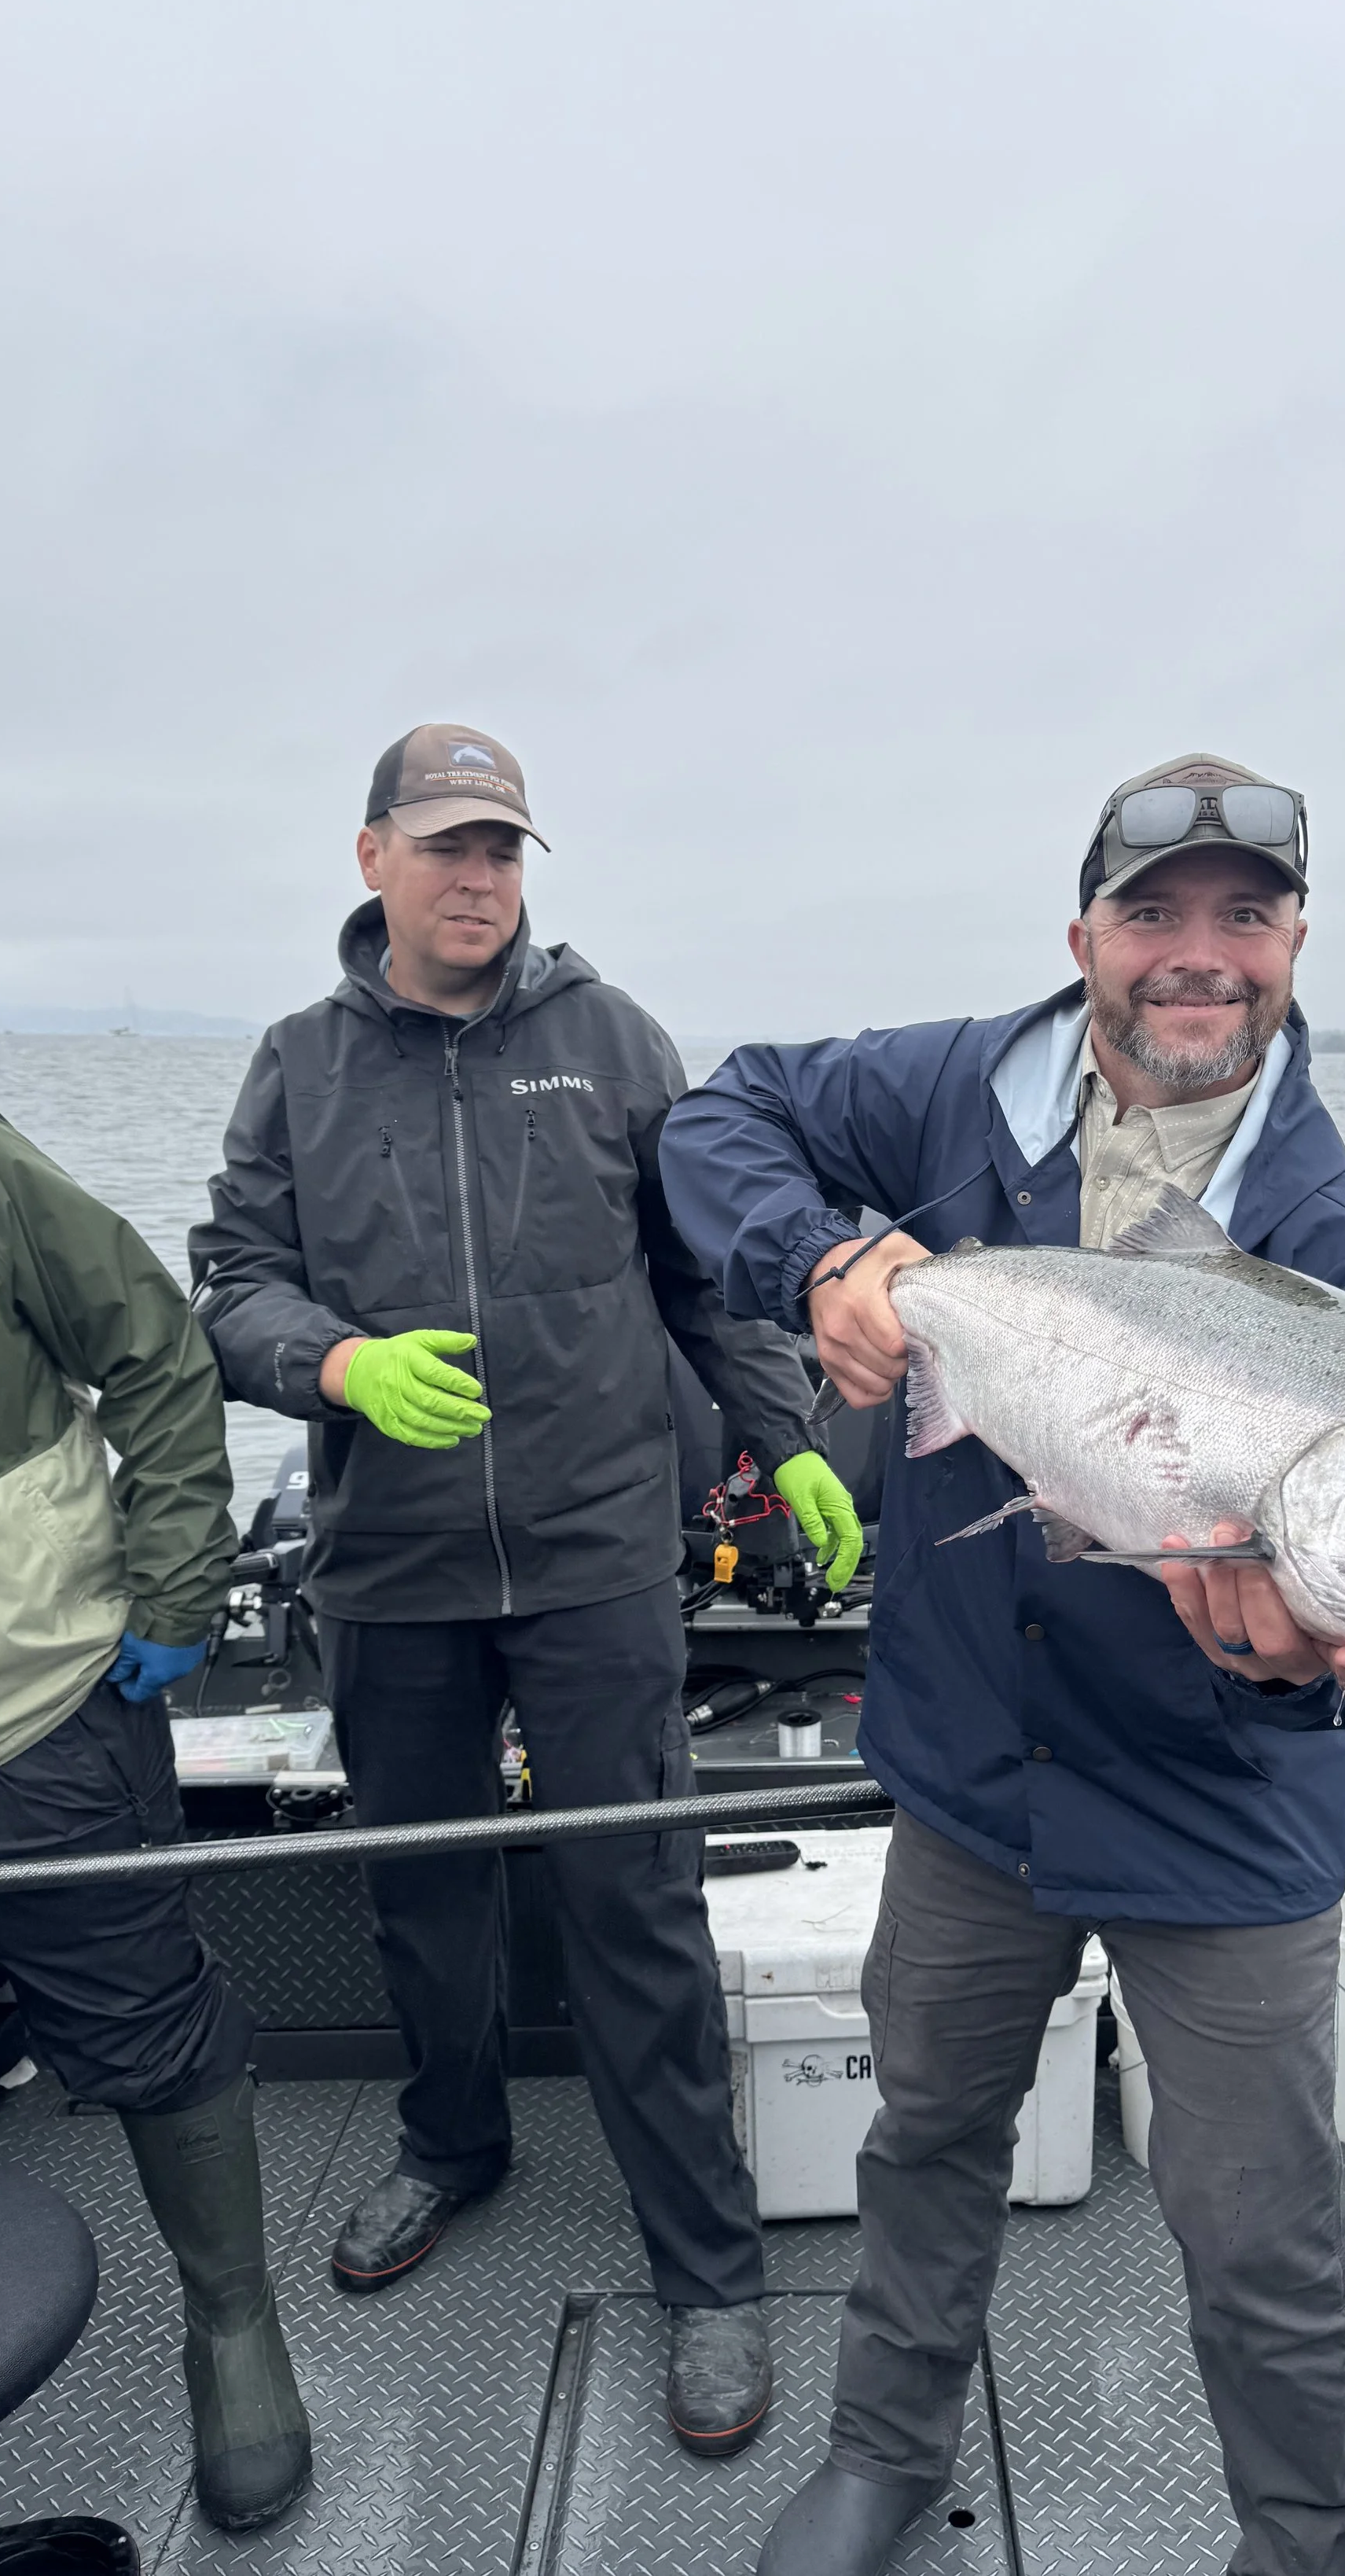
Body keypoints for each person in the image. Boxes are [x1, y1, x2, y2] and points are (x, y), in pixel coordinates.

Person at [660, 753, 1345, 2576]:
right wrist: (824, 1257)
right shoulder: (950, 1089)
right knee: (925, 2128)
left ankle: (1307, 2540)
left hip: (1216, 1815)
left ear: (1295, 942)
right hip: (965, 1762)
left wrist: (1293, 1671)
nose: (1196, 957)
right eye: (1152, 913)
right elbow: (719, 1117)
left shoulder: (1341, 1249)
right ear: (1079, 929)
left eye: (1241, 916)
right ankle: (878, 2447)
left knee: (1258, 2224)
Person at [189, 722, 861, 2459]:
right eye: (446, 849)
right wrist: (329, 1366)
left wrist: (784, 1438)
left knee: (631, 1903)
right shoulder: (296, 1063)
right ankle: (452, 2140)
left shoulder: (612, 1036)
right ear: (370, 861)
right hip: (391, 1564)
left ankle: (705, 2268)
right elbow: (232, 1279)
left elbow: (706, 1271)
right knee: (422, 1897)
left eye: (501, 851)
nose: (478, 879)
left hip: (590, 1554)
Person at [0, 1064, 310, 2534]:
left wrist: (177, 1578)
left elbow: (160, 1352)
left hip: (48, 1714)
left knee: (149, 2034)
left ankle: (233, 2332)